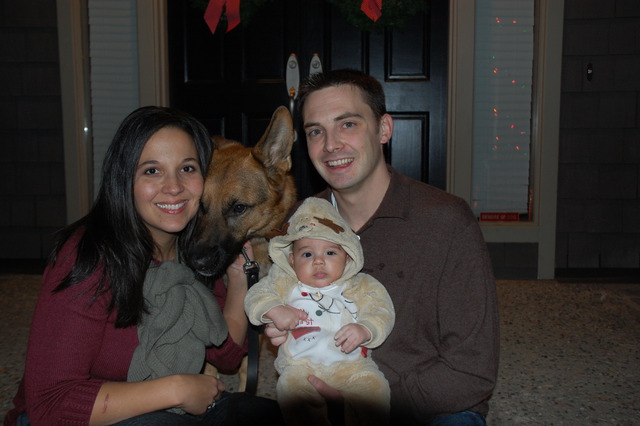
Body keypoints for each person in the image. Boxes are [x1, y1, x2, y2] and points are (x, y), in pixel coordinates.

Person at [4, 106, 283, 426]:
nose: (174, 186)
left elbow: (226, 354)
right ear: (125, 178)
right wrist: (176, 390)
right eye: (152, 170)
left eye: (187, 168)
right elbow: (50, 404)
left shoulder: (194, 248)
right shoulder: (88, 256)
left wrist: (239, 278)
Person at [265, 69, 500, 425]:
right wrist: (280, 321)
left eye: (347, 124)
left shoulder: (446, 221)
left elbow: (471, 371)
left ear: (384, 129)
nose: (330, 145)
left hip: (428, 408)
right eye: (316, 131)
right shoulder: (301, 224)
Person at [245, 197, 395, 426]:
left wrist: (366, 329)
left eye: (330, 253)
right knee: (292, 391)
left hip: (352, 367)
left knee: (374, 390)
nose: (318, 262)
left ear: (347, 257)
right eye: (307, 254)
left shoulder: (361, 284)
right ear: (292, 261)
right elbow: (256, 295)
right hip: (301, 368)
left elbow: (382, 309)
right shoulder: (285, 282)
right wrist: (274, 309)